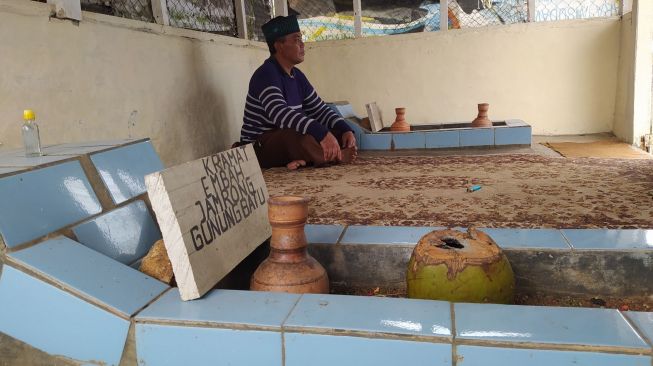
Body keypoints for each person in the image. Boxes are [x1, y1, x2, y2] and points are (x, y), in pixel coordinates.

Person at [238, 15, 357, 170]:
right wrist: (321, 134)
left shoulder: (297, 76)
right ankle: (333, 156)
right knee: (295, 137)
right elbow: (280, 114)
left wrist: (345, 129)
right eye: (296, 40)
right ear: (279, 46)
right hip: (259, 147)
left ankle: (305, 160)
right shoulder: (266, 73)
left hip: (286, 141)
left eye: (301, 39)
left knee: (335, 134)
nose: (302, 44)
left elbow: (319, 109)